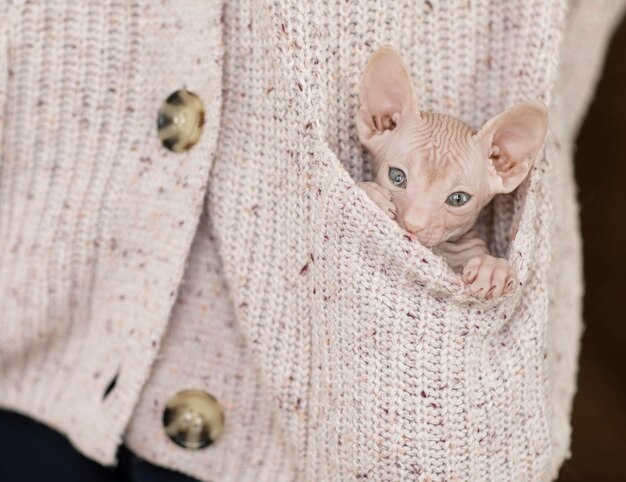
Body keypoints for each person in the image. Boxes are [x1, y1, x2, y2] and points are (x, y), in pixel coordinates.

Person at [1, 1, 624, 481]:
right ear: (378, 122)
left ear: (504, 168)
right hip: (36, 324)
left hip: (327, 404)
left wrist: (479, 262)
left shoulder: (476, 163)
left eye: (454, 200)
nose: (411, 223)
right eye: (401, 186)